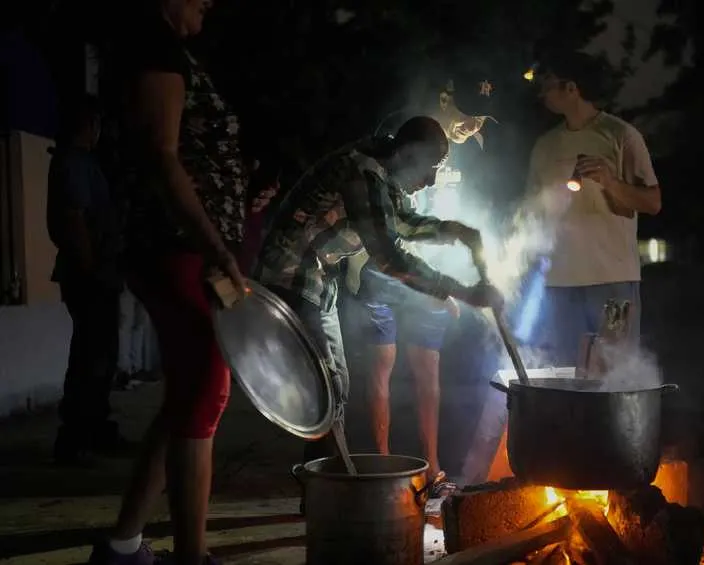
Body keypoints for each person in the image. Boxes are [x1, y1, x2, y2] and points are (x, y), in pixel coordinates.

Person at [255, 116, 502, 482]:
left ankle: (325, 485)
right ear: (408, 153)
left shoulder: (381, 173)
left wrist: (455, 231)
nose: (431, 180)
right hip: (293, 276)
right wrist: (462, 291)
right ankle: (328, 488)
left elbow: (403, 222)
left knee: (334, 388)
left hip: (317, 280)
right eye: (431, 167)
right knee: (328, 387)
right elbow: (389, 255)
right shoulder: (362, 172)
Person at [88, 1, 248, 564]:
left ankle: (123, 545)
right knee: (205, 388)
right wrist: (216, 247)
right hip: (175, 245)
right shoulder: (153, 47)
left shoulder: (158, 46)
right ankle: (192, 557)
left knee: (186, 396)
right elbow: (161, 154)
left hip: (178, 244)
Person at [525, 52, 662, 366]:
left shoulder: (621, 135)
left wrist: (610, 182)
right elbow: (531, 211)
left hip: (612, 281)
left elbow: (653, 202)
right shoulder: (545, 146)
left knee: (613, 372)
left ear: (571, 88)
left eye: (548, 83)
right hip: (560, 283)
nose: (542, 92)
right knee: (568, 373)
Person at [345, 188, 460, 488]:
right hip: (376, 272)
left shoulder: (447, 172)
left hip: (424, 274)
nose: (432, 175)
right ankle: (383, 463)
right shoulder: (381, 178)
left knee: (428, 367)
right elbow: (391, 242)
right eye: (431, 167)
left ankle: (432, 466)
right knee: (382, 362)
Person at [47, 94, 130, 465]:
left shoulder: (81, 162)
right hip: (90, 273)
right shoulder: (74, 162)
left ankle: (93, 428)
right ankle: (77, 435)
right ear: (90, 124)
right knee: (91, 356)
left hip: (96, 271)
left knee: (100, 354)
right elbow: (74, 219)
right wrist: (92, 267)